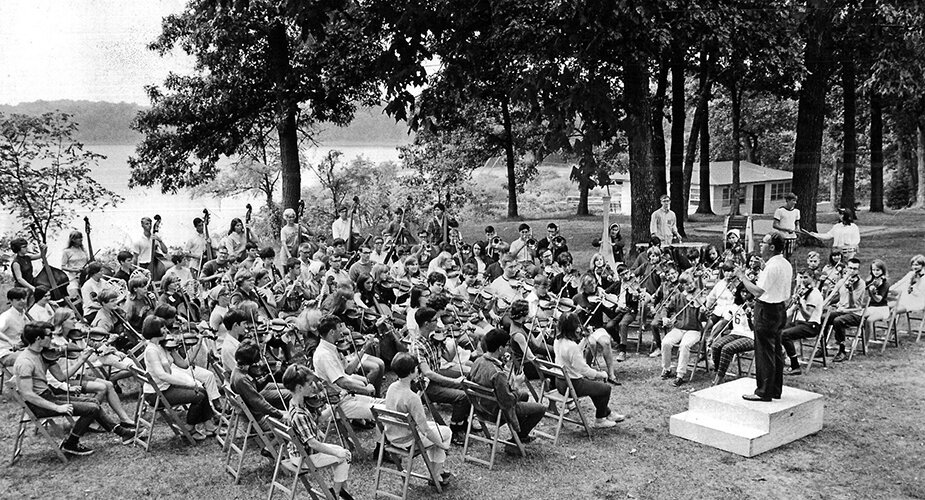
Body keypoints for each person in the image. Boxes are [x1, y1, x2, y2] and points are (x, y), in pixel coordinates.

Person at [14, 321, 134, 456]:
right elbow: (28, 394)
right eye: (49, 336)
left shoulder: (43, 354)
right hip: (37, 404)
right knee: (92, 408)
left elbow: (61, 377)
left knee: (93, 402)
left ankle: (122, 433)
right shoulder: (25, 362)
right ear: (38, 339)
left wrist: (81, 360)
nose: (52, 338)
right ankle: (71, 443)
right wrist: (57, 408)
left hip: (48, 395)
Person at [282, 364, 355, 500]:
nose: (313, 386)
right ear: (299, 388)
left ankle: (341, 492)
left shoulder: (295, 403)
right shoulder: (299, 415)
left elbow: (319, 419)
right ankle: (335, 494)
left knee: (341, 452)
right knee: (345, 455)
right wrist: (337, 453)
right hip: (305, 457)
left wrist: (334, 406)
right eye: (310, 384)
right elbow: (313, 444)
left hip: (298, 453)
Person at [735, 232, 792, 402]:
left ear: (772, 247)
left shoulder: (773, 267)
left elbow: (757, 291)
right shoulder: (784, 264)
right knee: (775, 350)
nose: (761, 245)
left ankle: (763, 391)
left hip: (767, 310)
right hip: (780, 308)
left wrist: (741, 277)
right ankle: (775, 389)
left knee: (764, 351)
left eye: (764, 242)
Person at [383, 353, 453, 486]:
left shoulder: (392, 387)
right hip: (407, 440)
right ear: (411, 372)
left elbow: (404, 406)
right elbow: (425, 429)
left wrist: (419, 394)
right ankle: (436, 475)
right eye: (416, 368)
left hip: (392, 435)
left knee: (437, 428)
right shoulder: (412, 397)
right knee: (445, 433)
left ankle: (437, 471)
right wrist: (442, 445)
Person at [468, 328, 546, 448]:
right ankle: (518, 439)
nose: (508, 348)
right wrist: (517, 384)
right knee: (540, 408)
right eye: (506, 346)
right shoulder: (497, 373)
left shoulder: (478, 361)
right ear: (500, 348)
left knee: (524, 395)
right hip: (496, 411)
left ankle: (519, 432)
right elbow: (508, 401)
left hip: (480, 407)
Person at [140, 316, 215, 440]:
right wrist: (188, 384)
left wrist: (198, 344)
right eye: (163, 328)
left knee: (202, 390)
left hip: (166, 387)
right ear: (154, 330)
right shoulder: (151, 351)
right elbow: (162, 375)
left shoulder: (163, 345)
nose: (166, 330)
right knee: (199, 396)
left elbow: (184, 364)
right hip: (157, 393)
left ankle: (209, 426)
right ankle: (190, 428)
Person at [409, 307, 472, 444]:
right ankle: (455, 430)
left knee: (468, 388)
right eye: (434, 321)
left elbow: (449, 357)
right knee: (462, 396)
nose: (438, 323)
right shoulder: (417, 345)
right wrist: (454, 381)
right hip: (424, 384)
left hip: (436, 376)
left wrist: (455, 338)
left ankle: (463, 423)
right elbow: (428, 373)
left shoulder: (434, 338)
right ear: (426, 324)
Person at [553, 313, 625, 429]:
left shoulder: (558, 340)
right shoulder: (571, 346)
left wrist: (585, 339)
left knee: (594, 388)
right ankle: (600, 419)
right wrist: (600, 374)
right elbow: (583, 369)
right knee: (605, 389)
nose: (579, 328)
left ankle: (608, 413)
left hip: (560, 382)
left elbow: (574, 355)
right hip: (572, 384)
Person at [311, 315, 384, 421]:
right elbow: (342, 382)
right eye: (339, 328)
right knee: (385, 412)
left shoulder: (330, 348)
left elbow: (348, 370)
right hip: (340, 403)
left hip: (347, 396)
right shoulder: (324, 355)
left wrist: (364, 349)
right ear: (332, 332)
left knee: (386, 404)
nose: (342, 331)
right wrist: (365, 389)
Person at [657, 274, 705, 387]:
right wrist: (665, 317)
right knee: (666, 342)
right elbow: (665, 308)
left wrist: (702, 312)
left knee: (684, 345)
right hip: (679, 328)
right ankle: (667, 369)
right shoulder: (678, 297)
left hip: (694, 330)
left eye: (691, 283)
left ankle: (680, 375)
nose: (689, 286)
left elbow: (703, 320)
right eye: (686, 284)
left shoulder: (699, 298)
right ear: (682, 286)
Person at [709, 285, 755, 386]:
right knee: (716, 346)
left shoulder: (755, 306)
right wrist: (712, 336)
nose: (744, 294)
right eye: (742, 291)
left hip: (750, 336)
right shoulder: (735, 306)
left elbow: (754, 328)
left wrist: (748, 316)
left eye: (747, 292)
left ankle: (718, 380)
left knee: (727, 348)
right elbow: (724, 322)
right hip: (735, 333)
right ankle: (719, 372)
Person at [781, 270, 825, 375]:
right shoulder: (803, 292)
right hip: (799, 323)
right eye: (801, 278)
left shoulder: (814, 294)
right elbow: (791, 311)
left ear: (813, 278)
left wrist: (801, 305)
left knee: (784, 335)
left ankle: (795, 365)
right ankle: (781, 358)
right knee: (776, 330)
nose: (803, 280)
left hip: (811, 325)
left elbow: (807, 316)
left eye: (806, 277)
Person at [825, 258, 867, 362]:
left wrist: (851, 290)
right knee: (824, 318)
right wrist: (820, 306)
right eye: (850, 268)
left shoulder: (860, 283)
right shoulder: (842, 281)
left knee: (838, 321)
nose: (852, 271)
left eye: (855, 269)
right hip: (842, 311)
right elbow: (831, 296)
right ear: (846, 268)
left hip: (855, 313)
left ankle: (842, 350)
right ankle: (822, 346)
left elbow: (853, 304)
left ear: (858, 270)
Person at [0, 287, 29, 367]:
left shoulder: (25, 313)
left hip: (21, 349)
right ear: (10, 300)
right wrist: (10, 341)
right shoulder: (6, 316)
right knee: (30, 358)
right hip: (6, 352)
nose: (22, 301)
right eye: (18, 299)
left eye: (23, 298)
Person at [772, 193, 801, 260]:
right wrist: (786, 229)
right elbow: (775, 225)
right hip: (782, 237)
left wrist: (797, 230)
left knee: (789, 255)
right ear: (787, 200)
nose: (795, 203)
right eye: (793, 200)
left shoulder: (797, 211)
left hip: (792, 237)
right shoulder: (780, 211)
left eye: (795, 201)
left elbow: (797, 223)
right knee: (780, 254)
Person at [60, 231, 89, 297]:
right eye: (78, 238)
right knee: (74, 293)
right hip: (73, 277)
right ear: (73, 239)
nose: (81, 239)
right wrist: (75, 270)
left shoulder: (83, 250)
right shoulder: (66, 251)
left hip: (85, 275)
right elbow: (63, 267)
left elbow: (87, 262)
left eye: (81, 237)